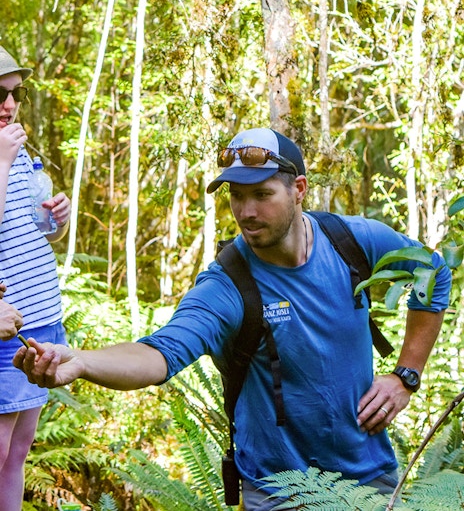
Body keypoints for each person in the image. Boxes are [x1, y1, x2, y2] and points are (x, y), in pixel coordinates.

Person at [14, 127, 451, 510]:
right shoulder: (228, 285)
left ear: (298, 189)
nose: (246, 212)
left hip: (369, 479)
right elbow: (159, 355)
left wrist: (405, 375)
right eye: (236, 196)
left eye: (262, 194)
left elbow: (434, 271)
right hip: (279, 492)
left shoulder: (352, 241)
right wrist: (83, 362)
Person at [0, 46, 71, 511]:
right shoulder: (7, 153)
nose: (8, 105)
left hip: (41, 318)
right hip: (3, 329)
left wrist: (57, 216)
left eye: (16, 94)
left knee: (18, 452)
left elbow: (35, 228)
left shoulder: (23, 153)